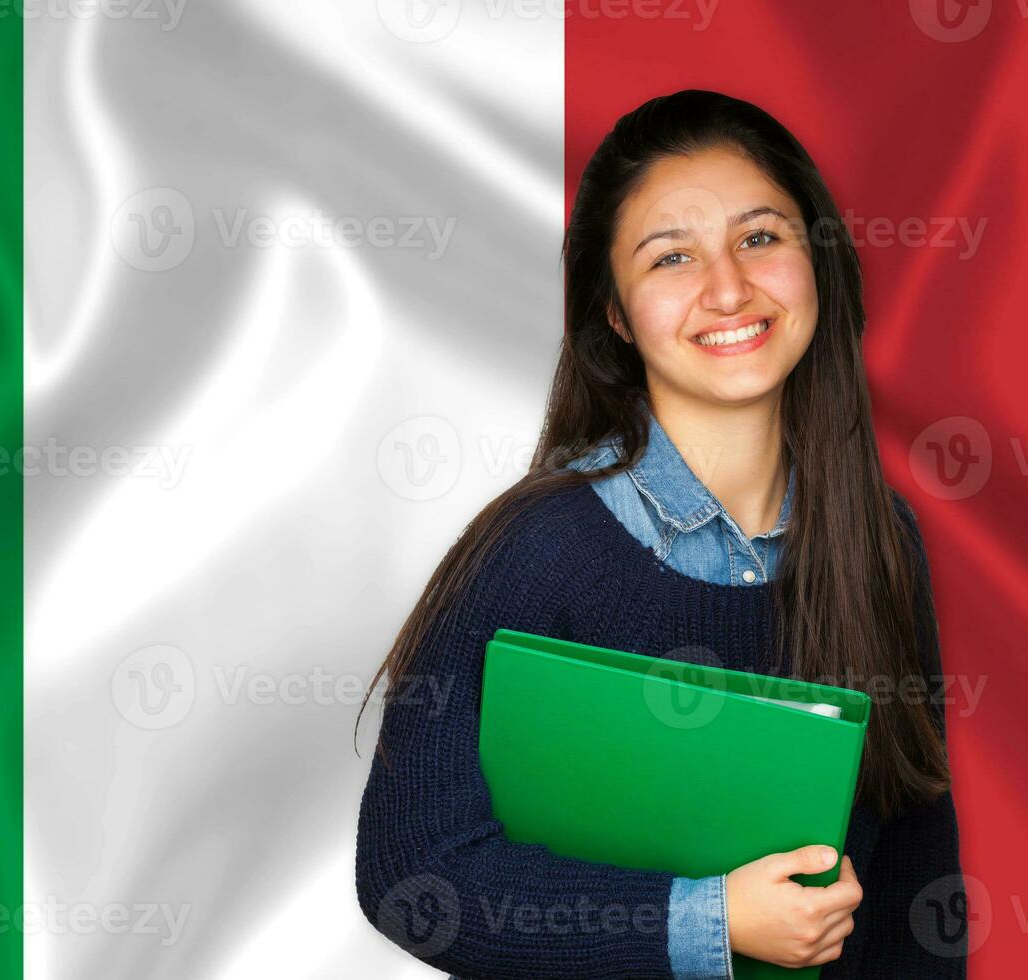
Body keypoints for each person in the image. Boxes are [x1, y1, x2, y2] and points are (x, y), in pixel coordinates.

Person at [354, 90, 967, 978]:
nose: (728, 288)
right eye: (671, 257)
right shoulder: (534, 552)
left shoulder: (877, 539)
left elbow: (915, 870)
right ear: (613, 312)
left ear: (819, 262)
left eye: (760, 237)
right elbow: (415, 874)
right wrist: (708, 920)